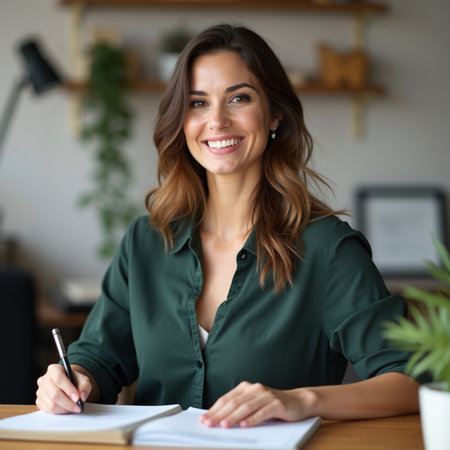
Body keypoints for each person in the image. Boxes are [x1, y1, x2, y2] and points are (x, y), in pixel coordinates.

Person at [36, 24, 422, 428]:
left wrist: (300, 401)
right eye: (198, 103)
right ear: (181, 121)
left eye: (239, 98)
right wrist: (73, 381)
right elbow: (100, 357)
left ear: (274, 114)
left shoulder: (327, 249)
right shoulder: (146, 241)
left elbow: (411, 377)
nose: (217, 120)